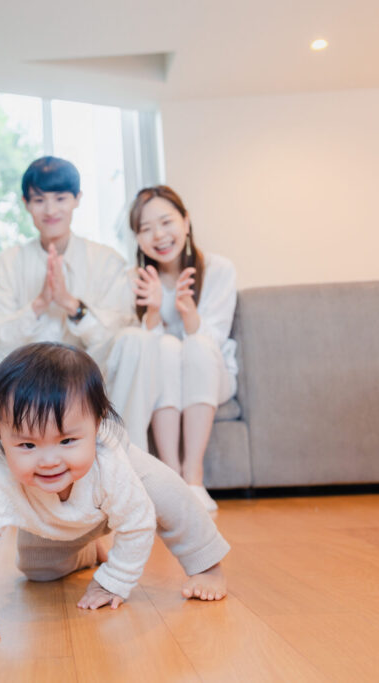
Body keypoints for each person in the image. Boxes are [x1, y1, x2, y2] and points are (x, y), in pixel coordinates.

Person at [0, 342, 229, 648]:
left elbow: (137, 524)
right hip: (59, 514)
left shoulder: (111, 463)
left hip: (121, 491)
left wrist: (114, 581)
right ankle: (88, 551)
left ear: (97, 425)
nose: (49, 461)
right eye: (28, 445)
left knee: (167, 490)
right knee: (37, 570)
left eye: (67, 440)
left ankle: (207, 566)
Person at [0, 157, 159, 523]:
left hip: (89, 377)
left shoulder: (107, 261)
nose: (51, 209)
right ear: (26, 204)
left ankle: (127, 474)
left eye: (60, 198)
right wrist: (39, 304)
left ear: (77, 199)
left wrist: (72, 305)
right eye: (39, 200)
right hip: (21, 378)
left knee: (137, 340)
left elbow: (114, 333)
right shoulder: (7, 263)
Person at [129, 186, 239, 511]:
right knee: (164, 345)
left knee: (198, 345)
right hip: (162, 377)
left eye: (166, 222)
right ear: (137, 238)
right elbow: (141, 354)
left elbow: (215, 340)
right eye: (146, 228)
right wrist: (152, 312)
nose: (159, 235)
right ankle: (171, 477)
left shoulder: (218, 269)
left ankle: (194, 477)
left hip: (212, 376)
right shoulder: (135, 280)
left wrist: (189, 315)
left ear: (186, 222)